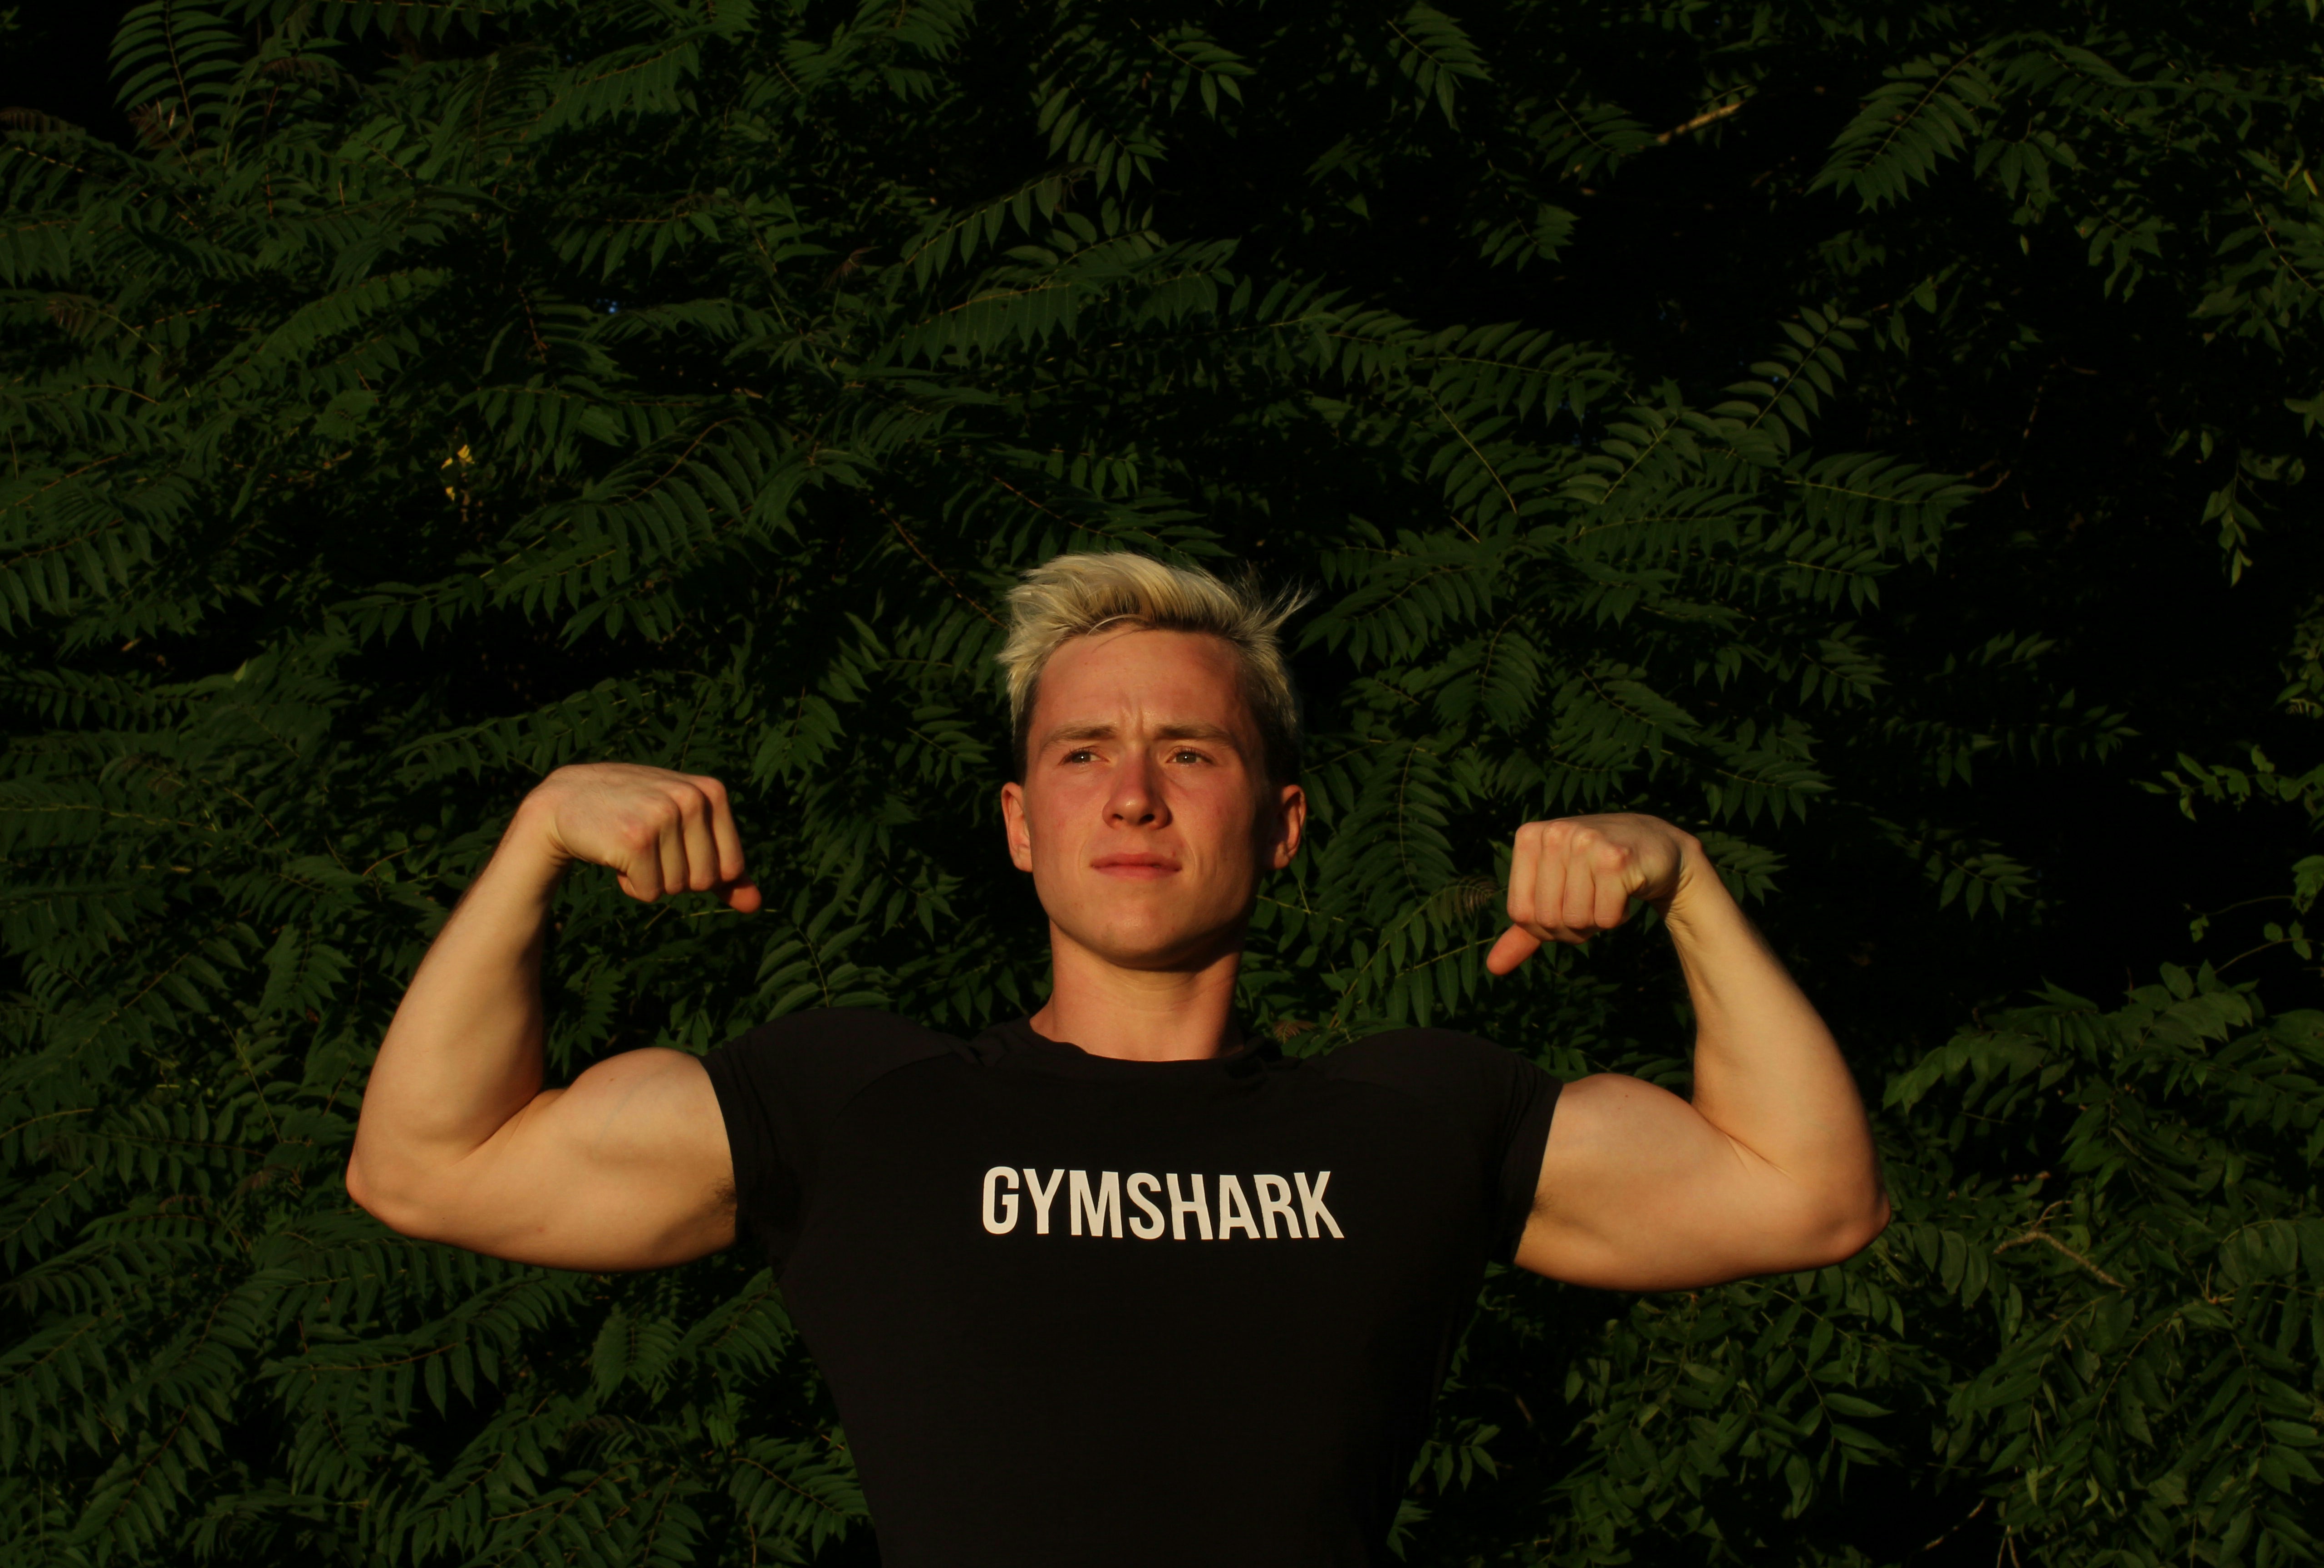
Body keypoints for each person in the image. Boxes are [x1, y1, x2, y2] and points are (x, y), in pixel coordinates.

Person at [347, 551, 1887, 1568]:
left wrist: (1686, 881)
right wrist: (536, 836)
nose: (1133, 796)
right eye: (1082, 754)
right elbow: (429, 1164)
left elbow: (1806, 1195)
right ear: (1021, 827)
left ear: (1280, 827)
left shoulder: (1414, 1120)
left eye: (1192, 753)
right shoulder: (861, 1108)